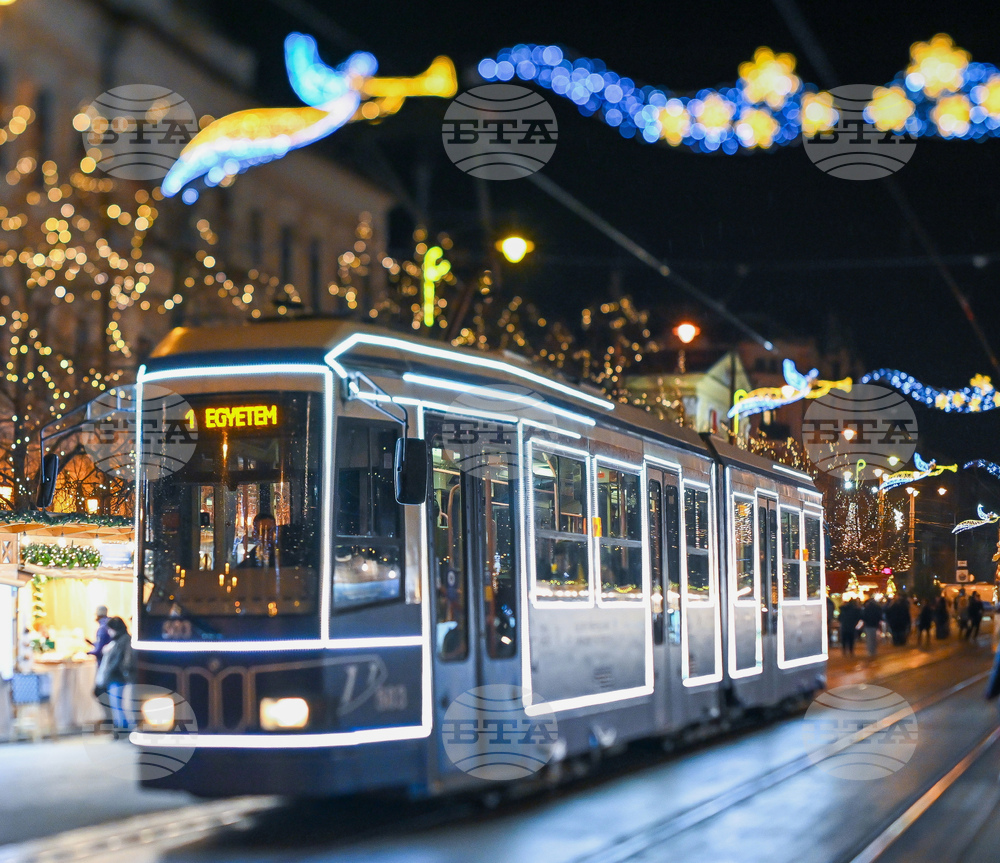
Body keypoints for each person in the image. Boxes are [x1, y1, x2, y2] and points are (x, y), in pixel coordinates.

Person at [94, 617, 136, 738]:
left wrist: (107, 674)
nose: (109, 632)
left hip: (117, 676)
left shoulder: (122, 641)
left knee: (116, 704)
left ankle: (122, 729)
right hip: (117, 676)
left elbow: (117, 661)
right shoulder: (122, 639)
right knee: (117, 704)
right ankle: (122, 728)